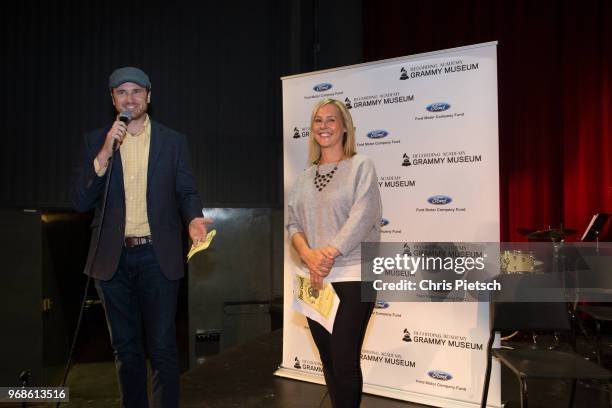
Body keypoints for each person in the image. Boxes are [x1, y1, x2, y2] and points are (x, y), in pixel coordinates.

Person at [71, 66, 211, 408]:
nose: (129, 98)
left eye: (136, 91)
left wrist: (194, 219)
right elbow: (80, 201)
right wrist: (105, 151)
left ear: (149, 96)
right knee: (125, 348)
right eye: (122, 92)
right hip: (112, 260)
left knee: (162, 346)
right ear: (113, 99)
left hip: (156, 256)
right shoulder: (96, 141)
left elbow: (186, 190)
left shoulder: (173, 141)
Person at [286, 98, 382, 407]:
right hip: (314, 279)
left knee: (343, 361)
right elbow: (292, 225)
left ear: (344, 128)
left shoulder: (360, 166)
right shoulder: (302, 178)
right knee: (328, 360)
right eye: (318, 121)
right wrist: (309, 256)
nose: (323, 126)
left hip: (354, 274)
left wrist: (325, 255)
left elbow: (363, 215)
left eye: (331, 120)